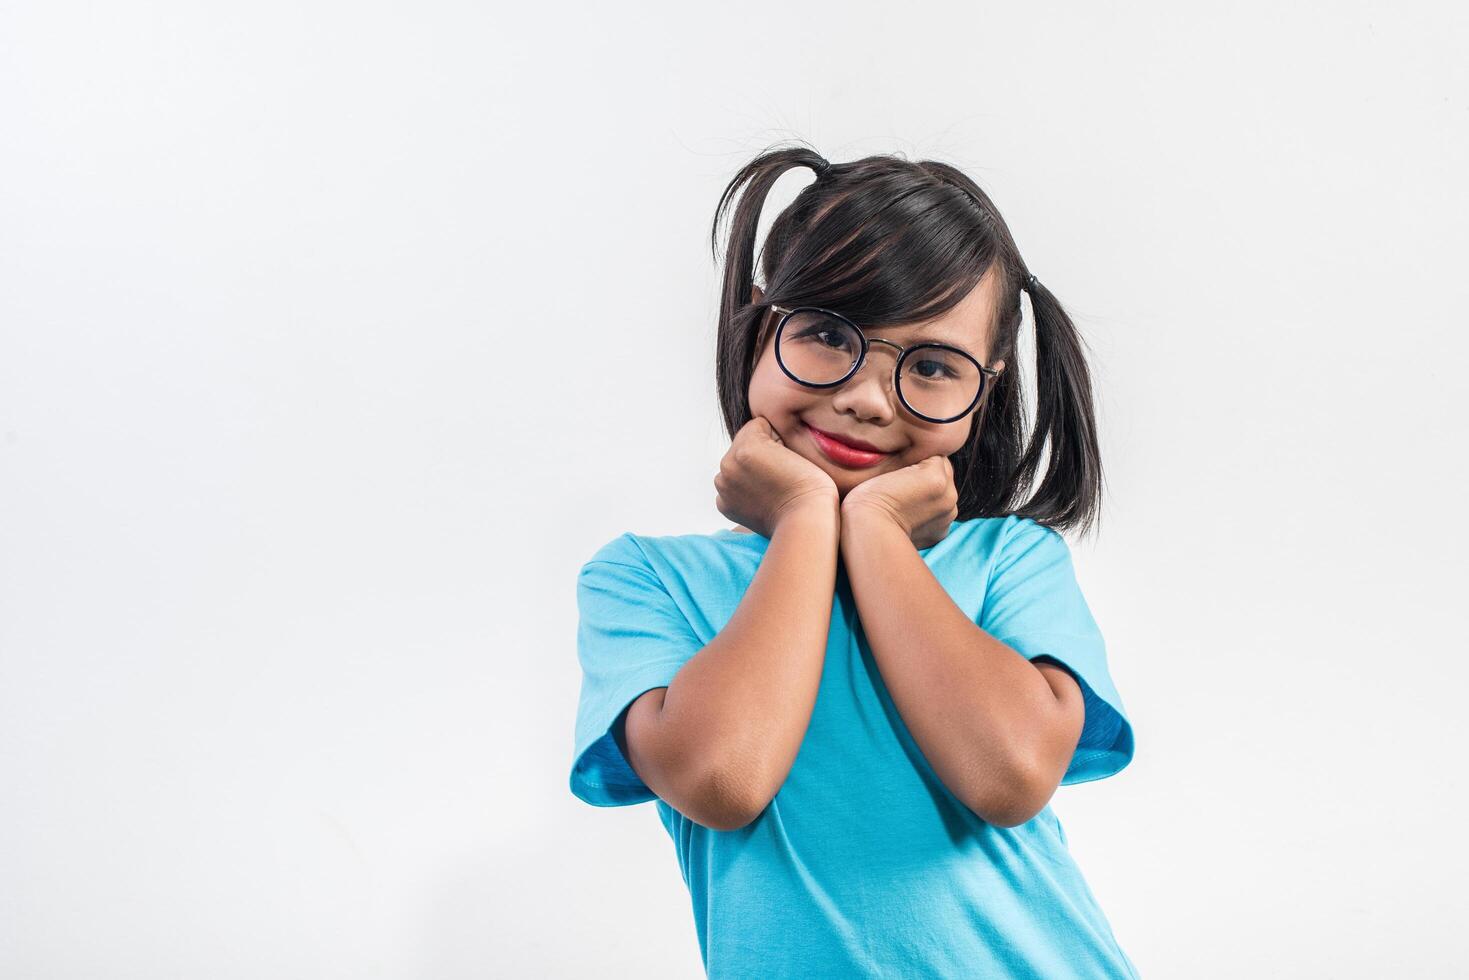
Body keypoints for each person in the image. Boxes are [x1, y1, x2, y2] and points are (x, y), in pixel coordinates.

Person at [569, 144, 1140, 978]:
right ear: (764, 324)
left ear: (984, 390)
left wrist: (872, 529)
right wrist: (806, 516)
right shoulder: (645, 580)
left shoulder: (1009, 560)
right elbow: (723, 778)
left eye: (935, 366)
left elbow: (1010, 773)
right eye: (829, 335)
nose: (866, 397)